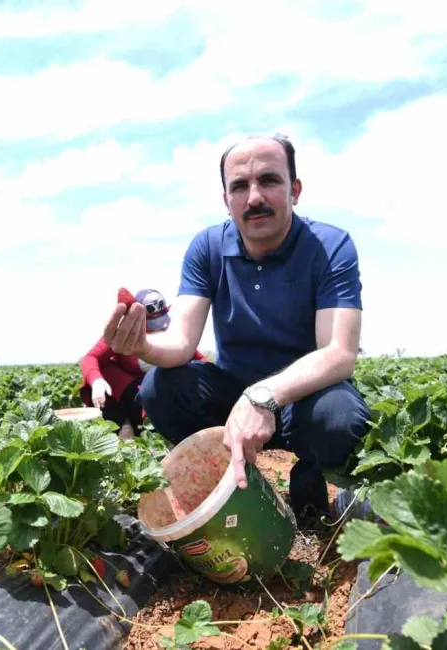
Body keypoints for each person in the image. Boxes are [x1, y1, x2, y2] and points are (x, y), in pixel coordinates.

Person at [103, 133, 370, 520]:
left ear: (295, 189)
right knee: (160, 387)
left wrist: (263, 396)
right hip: (231, 398)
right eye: (240, 186)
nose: (254, 197)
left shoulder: (330, 245)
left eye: (269, 181)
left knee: (340, 418)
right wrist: (141, 346)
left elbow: (339, 354)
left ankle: (310, 477)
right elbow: (179, 342)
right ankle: (226, 482)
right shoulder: (208, 247)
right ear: (226, 199)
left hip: (303, 398)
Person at [79, 289, 206, 439]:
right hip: (129, 390)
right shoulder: (124, 332)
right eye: (151, 323)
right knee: (107, 371)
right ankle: (124, 423)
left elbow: (198, 359)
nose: (158, 328)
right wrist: (97, 381)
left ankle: (148, 427)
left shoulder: (172, 332)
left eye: (161, 321)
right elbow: (91, 357)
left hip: (160, 386)